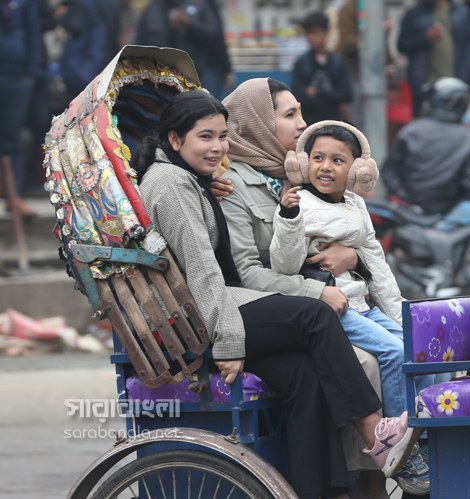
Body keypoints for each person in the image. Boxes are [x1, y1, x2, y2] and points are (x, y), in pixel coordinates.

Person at [134, 90, 421, 499]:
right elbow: (202, 270)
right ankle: (375, 431)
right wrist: (229, 342)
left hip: (214, 304)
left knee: (306, 374)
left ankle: (323, 492)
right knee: (315, 315)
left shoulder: (193, 179)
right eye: (205, 137)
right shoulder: (171, 185)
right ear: (175, 140)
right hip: (201, 313)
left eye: (223, 136)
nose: (218, 147)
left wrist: (207, 186)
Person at [212, 78, 425, 499]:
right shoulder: (231, 184)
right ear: (256, 122)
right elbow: (251, 271)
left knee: (409, 348)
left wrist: (353, 258)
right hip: (289, 306)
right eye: (289, 114)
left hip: (332, 301)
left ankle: (392, 463)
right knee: (365, 361)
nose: (301, 124)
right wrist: (316, 291)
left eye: (300, 112)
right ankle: (374, 473)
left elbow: (361, 247)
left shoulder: (301, 174)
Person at [274, 120, 433, 495]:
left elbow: (376, 264)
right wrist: (288, 219)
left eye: (337, 160)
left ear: (358, 170)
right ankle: (398, 449)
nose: (325, 167)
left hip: (363, 303)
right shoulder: (298, 202)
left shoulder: (356, 204)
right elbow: (284, 263)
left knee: (419, 349)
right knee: (393, 353)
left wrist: (402, 316)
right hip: (332, 309)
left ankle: (424, 437)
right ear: (303, 162)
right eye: (318, 158)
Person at [381, 77, 470, 216]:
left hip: (407, 212)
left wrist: (405, 200)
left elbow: (388, 170)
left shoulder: (412, 130)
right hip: (447, 217)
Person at [396, 0, 470, 117]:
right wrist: (425, 38)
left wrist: (465, 71)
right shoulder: (415, 13)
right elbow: (402, 45)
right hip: (424, 86)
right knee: (423, 123)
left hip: (455, 84)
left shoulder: (461, 12)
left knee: (452, 124)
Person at [0, 0, 42, 216]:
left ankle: (13, 194)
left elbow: (34, 36)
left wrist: (30, 75)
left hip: (16, 78)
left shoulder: (24, 4)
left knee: (12, 138)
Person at [134, 0, 225, 97]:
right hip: (163, 74)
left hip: (198, 72)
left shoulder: (199, 4)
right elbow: (142, 41)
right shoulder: (153, 9)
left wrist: (190, 23)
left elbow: (214, 35)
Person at [292, 11, 352, 125]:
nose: (311, 38)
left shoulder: (337, 63)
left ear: (326, 32)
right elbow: (297, 95)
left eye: (315, 32)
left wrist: (318, 93)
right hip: (309, 124)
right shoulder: (302, 63)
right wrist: (332, 95)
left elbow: (347, 94)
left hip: (333, 123)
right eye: (308, 33)